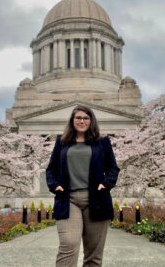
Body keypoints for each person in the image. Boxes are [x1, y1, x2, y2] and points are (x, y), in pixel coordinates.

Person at [46, 105, 120, 267]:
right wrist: (54, 185)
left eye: (86, 118)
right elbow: (51, 169)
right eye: (78, 117)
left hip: (97, 199)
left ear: (91, 121)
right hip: (68, 199)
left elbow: (113, 168)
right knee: (69, 245)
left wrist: (105, 184)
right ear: (72, 120)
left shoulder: (103, 142)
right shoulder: (62, 142)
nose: (82, 121)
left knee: (93, 255)